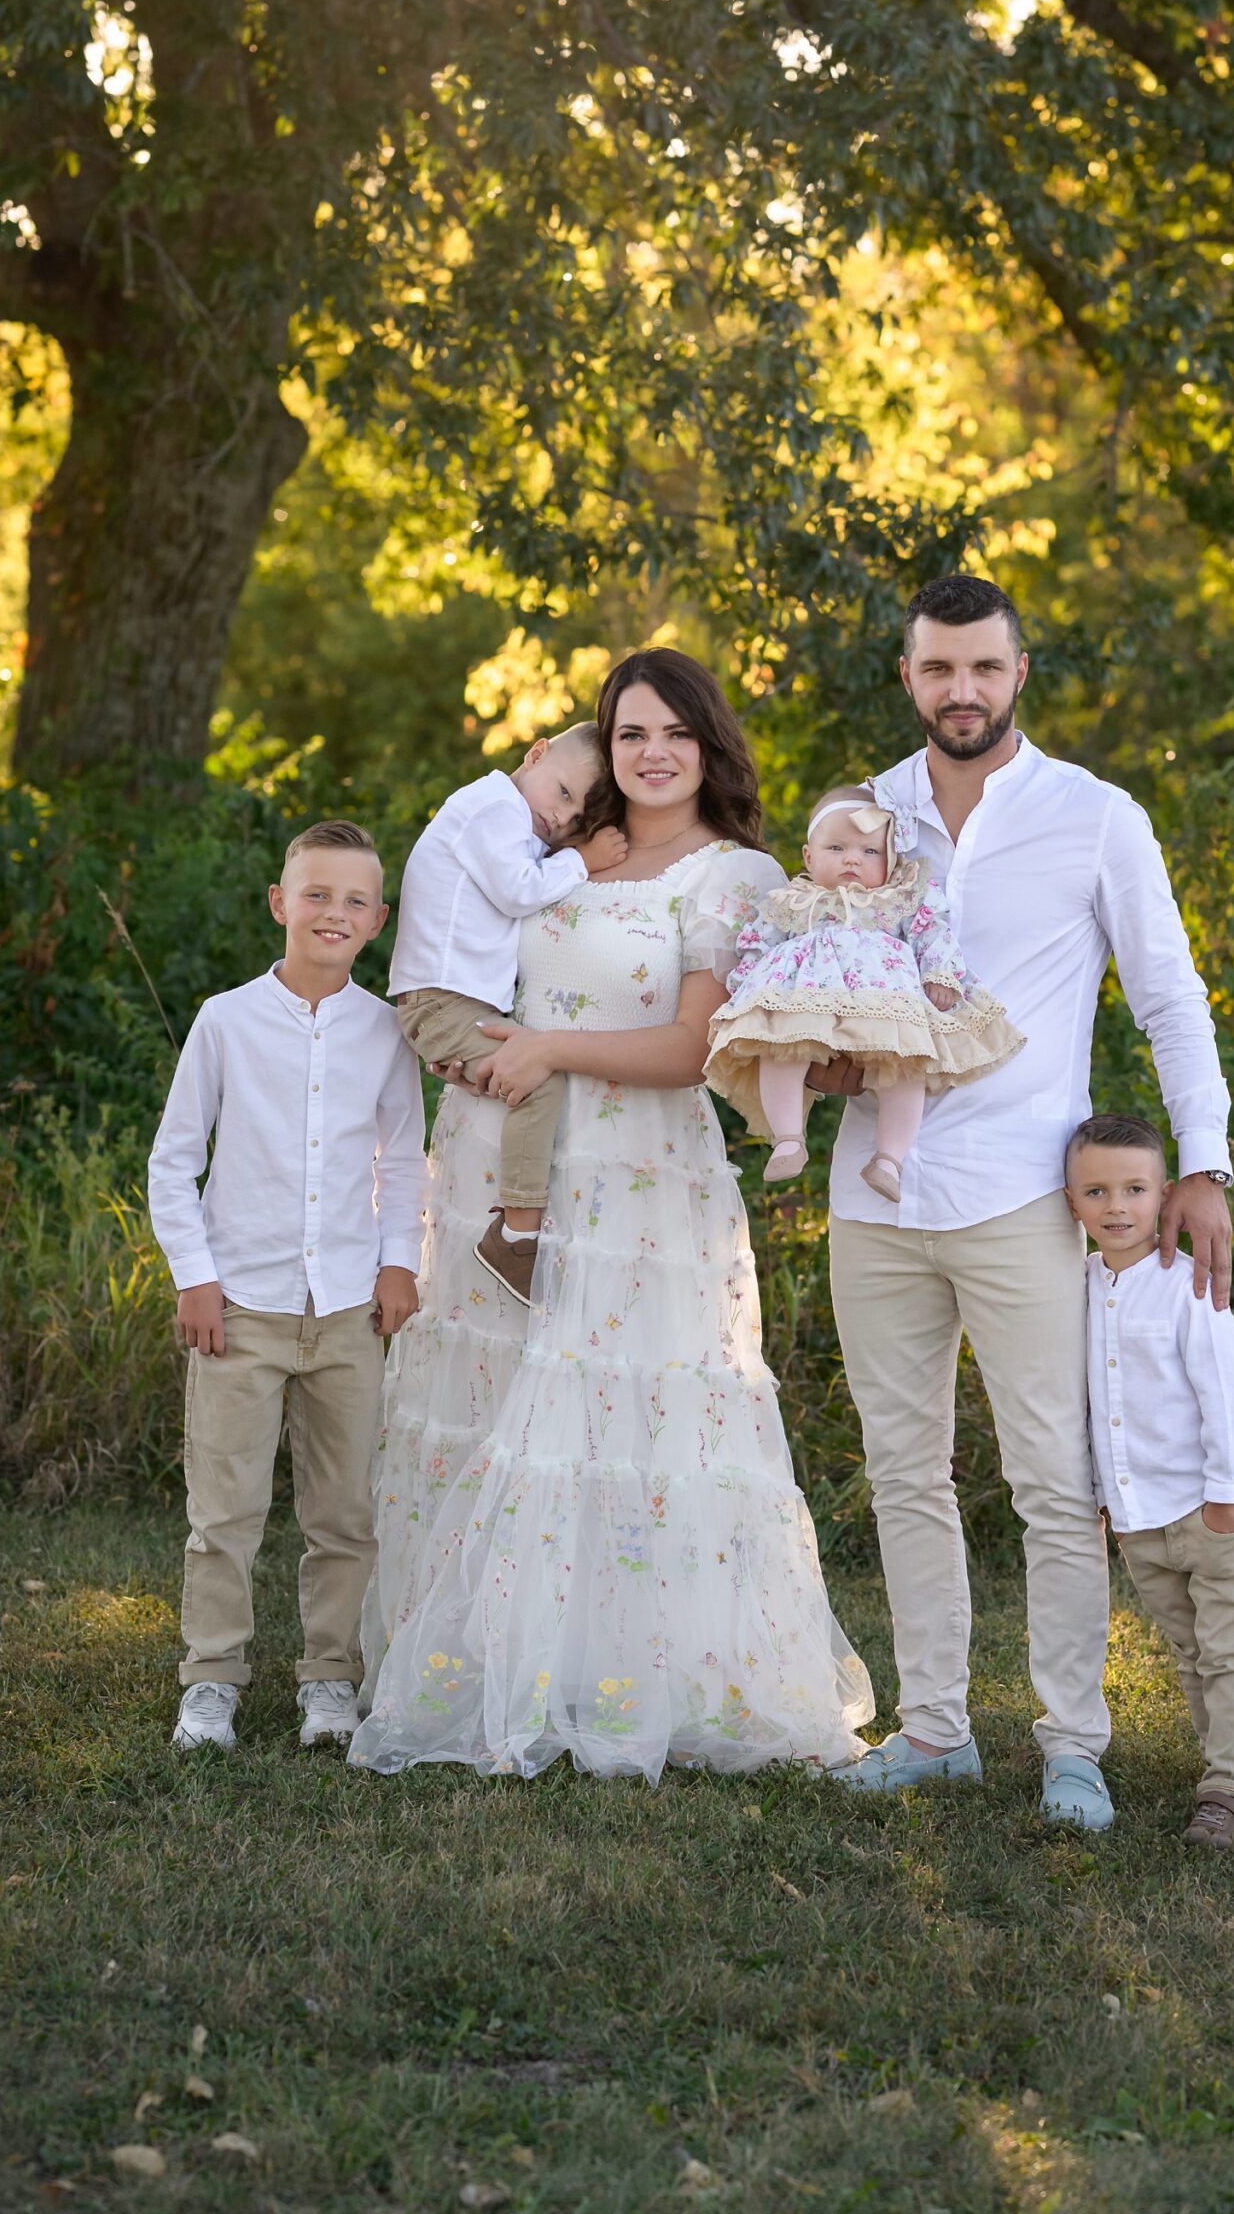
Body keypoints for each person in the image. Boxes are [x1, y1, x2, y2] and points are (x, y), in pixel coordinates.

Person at [351, 648, 871, 1781]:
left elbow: (695, 1049)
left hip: (636, 1178)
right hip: (503, 1151)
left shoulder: (734, 876)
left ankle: (639, 1679)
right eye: (631, 732)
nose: (651, 753)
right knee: (494, 1399)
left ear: (708, 743)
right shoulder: (560, 846)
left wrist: (549, 1048)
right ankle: (492, 1665)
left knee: (622, 1412)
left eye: (674, 733)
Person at [823, 573, 1234, 1830]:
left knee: (1056, 1480)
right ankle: (936, 1728)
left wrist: (1203, 1162)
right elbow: (803, 977)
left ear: (1017, 674)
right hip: (875, 1200)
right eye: (939, 669)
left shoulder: (1094, 816)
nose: (962, 691)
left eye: (984, 669)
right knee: (904, 1472)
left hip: (1021, 1197)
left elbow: (1168, 997)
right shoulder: (862, 816)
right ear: (910, 678)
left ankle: (1071, 1745)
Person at [146, 820, 426, 1756]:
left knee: (345, 1511)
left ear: (378, 918)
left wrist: (399, 1262)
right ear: (280, 903)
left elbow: (404, 1158)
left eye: (354, 900)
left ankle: (329, 1680)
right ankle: (211, 1682)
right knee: (222, 1512)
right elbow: (173, 1162)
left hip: (346, 1307)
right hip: (242, 1311)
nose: (333, 912)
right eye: (316, 894)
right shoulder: (226, 1020)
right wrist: (197, 1278)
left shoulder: (387, 1030)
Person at [1064, 1112, 1234, 1850]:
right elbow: (1092, 1406)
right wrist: (1101, 1497)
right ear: (1070, 1201)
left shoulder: (1186, 1288)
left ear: (1164, 1198)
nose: (1115, 1207)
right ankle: (1224, 1762)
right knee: (1187, 1652)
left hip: (1212, 1506)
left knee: (1226, 1649)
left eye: (1133, 1189)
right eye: (1095, 1190)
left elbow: (1226, 1393)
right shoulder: (1076, 1288)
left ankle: (1226, 1789)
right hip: (1137, 1516)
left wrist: (1222, 1497)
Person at [389, 721, 627, 1304]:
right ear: (536, 752)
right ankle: (515, 1234)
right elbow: (520, 890)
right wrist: (585, 858)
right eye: (564, 795)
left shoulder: (510, 815)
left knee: (528, 1075)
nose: (562, 821)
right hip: (442, 1000)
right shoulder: (491, 807)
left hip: (454, 1001)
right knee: (538, 1083)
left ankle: (515, 1226)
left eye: (576, 822)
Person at [704, 784, 1021, 1198]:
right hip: (806, 1001)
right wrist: (747, 986)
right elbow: (758, 942)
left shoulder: (901, 896)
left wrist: (940, 975)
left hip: (887, 1005)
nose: (853, 858)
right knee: (781, 1046)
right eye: (837, 847)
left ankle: (889, 1158)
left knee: (907, 1068)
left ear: (891, 860)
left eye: (870, 851)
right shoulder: (793, 901)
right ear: (808, 856)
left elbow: (932, 934)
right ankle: (787, 1137)